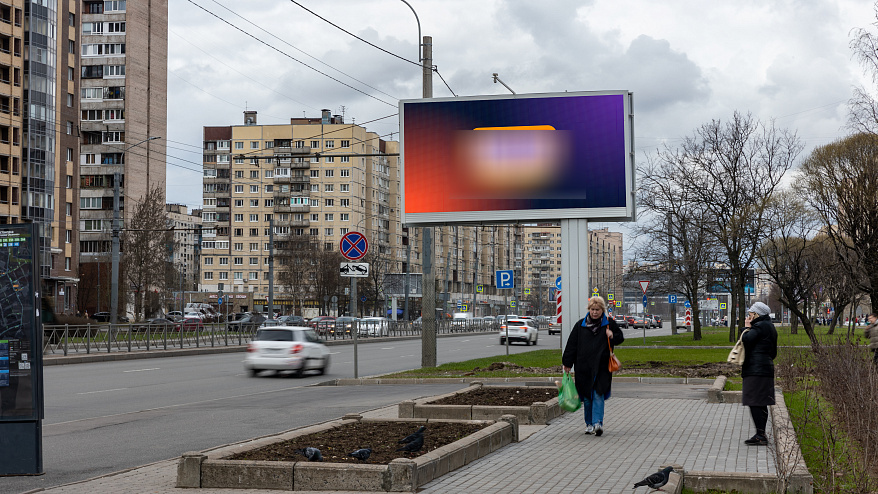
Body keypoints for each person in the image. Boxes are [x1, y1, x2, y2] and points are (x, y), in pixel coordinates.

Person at [562, 295, 624, 436]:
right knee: (588, 398)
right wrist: (567, 363)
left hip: (602, 367)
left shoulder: (608, 324)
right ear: (588, 309)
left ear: (602, 310)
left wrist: (612, 335)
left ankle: (598, 423)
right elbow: (572, 345)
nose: (594, 312)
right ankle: (589, 424)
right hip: (584, 367)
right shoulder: (580, 325)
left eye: (597, 309)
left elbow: (620, 338)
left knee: (598, 394)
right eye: (592, 309)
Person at [741, 301, 778, 446]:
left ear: (756, 314)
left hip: (755, 370)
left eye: (750, 314)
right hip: (765, 368)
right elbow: (773, 352)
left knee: (754, 401)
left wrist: (746, 327)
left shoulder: (759, 326)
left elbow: (746, 339)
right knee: (761, 402)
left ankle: (760, 435)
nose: (749, 317)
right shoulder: (770, 326)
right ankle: (761, 433)